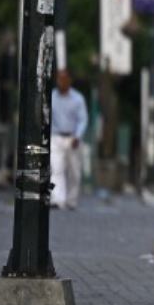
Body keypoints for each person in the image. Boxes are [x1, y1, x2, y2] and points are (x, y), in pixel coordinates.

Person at [49, 70, 88, 210]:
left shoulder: (77, 99)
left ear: (69, 81)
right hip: (56, 137)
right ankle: (57, 199)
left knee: (74, 171)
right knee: (56, 169)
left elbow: (82, 120)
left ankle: (71, 200)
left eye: (64, 80)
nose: (61, 83)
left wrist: (78, 136)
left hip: (72, 138)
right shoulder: (52, 97)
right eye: (59, 80)